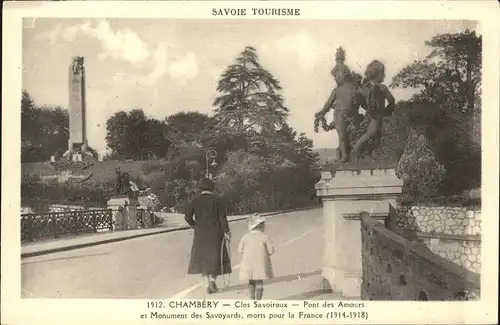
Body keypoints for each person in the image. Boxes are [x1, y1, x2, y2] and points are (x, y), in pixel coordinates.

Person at [184, 178, 231, 294]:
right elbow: (222, 218)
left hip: (200, 234)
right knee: (216, 258)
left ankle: (206, 284)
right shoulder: (218, 200)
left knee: (203, 259)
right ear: (212, 187)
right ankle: (213, 281)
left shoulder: (194, 200)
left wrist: (195, 226)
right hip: (216, 233)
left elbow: (187, 217)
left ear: (200, 188)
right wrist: (227, 232)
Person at [352, 60, 395, 160]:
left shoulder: (364, 87)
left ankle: (365, 152)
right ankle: (357, 150)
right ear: (377, 74)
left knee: (375, 135)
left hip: (371, 114)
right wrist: (386, 111)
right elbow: (392, 101)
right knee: (372, 133)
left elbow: (361, 103)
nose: (384, 75)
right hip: (377, 116)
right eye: (383, 73)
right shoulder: (382, 87)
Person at [238, 213, 275, 300]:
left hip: (248, 264)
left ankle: (252, 299)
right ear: (261, 226)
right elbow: (271, 251)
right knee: (259, 282)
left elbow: (240, 251)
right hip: (260, 264)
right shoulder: (265, 237)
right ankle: (258, 301)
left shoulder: (244, 237)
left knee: (251, 281)